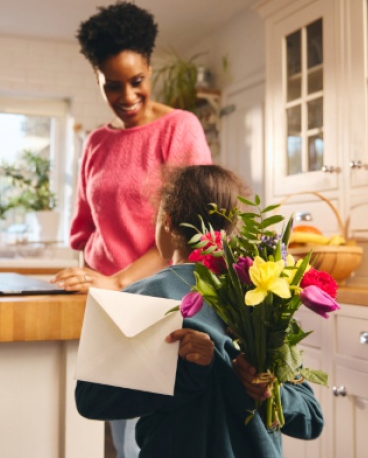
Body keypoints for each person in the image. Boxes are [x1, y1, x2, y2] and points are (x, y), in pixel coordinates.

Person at [75, 165, 325, 457]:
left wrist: (184, 375)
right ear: (234, 227)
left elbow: (91, 400)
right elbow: (312, 419)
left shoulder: (140, 297)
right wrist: (271, 392)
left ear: (166, 222)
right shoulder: (266, 297)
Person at [51, 1, 212, 294]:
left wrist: (119, 282)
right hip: (100, 293)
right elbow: (85, 231)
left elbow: (189, 231)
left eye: (136, 81)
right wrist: (83, 279)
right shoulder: (95, 142)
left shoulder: (179, 128)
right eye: (112, 86)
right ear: (97, 78)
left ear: (149, 68)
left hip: (158, 296)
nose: (127, 96)